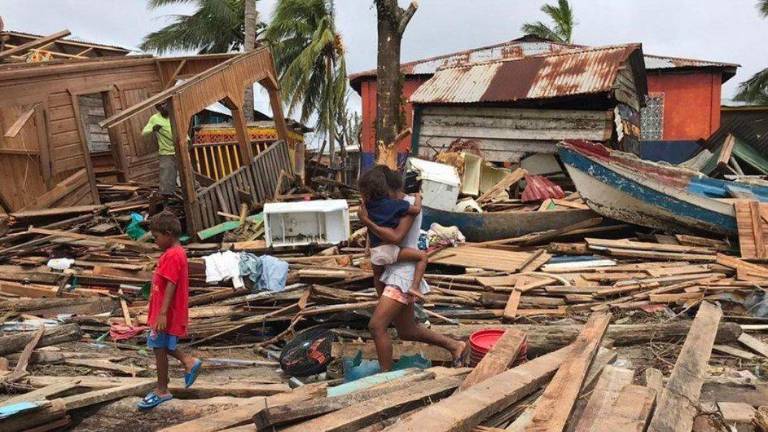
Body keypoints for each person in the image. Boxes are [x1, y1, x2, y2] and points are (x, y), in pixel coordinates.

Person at [359, 167, 468, 372]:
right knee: (407, 331)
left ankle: (385, 377)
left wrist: (366, 220)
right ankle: (455, 345)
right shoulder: (387, 206)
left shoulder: (407, 205)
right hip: (391, 272)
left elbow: (396, 237)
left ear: (387, 188)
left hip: (404, 274)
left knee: (376, 326)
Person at [138, 212, 202, 411]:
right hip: (162, 310)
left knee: (159, 348)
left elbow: (172, 284)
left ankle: (162, 389)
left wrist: (163, 313)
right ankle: (188, 361)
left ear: (168, 234)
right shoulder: (174, 253)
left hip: (166, 312)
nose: (155, 241)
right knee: (161, 345)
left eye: (156, 237)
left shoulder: (173, 255)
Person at [358, 165, 427, 301]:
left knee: (379, 322)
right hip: (395, 265)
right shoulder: (398, 205)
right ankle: (415, 286)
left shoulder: (370, 206)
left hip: (395, 269)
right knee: (423, 257)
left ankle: (380, 298)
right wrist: (419, 197)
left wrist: (366, 221)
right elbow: (395, 237)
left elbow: (395, 236)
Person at [142, 102, 176, 197]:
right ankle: (167, 205)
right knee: (166, 179)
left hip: (180, 150)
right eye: (160, 106)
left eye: (165, 104)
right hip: (166, 153)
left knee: (188, 175)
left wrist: (187, 142)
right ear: (158, 108)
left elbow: (182, 130)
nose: (164, 107)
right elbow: (144, 132)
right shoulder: (154, 118)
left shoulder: (175, 115)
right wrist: (153, 128)